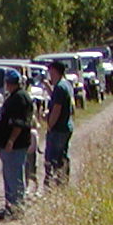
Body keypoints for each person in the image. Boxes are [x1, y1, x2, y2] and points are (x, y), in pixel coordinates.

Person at [0, 69, 35, 217]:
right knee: (8, 175)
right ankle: (10, 206)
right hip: (10, 143)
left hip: (15, 144)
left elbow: (19, 123)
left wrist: (11, 140)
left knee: (14, 175)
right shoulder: (16, 96)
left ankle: (17, 207)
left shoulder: (19, 99)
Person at [43, 58, 76, 186]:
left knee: (54, 158)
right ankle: (62, 182)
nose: (49, 73)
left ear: (55, 71)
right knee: (63, 155)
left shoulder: (60, 88)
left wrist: (50, 124)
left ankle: (58, 183)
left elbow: (57, 109)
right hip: (66, 126)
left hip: (58, 128)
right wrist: (48, 89)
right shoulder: (64, 85)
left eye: (50, 70)